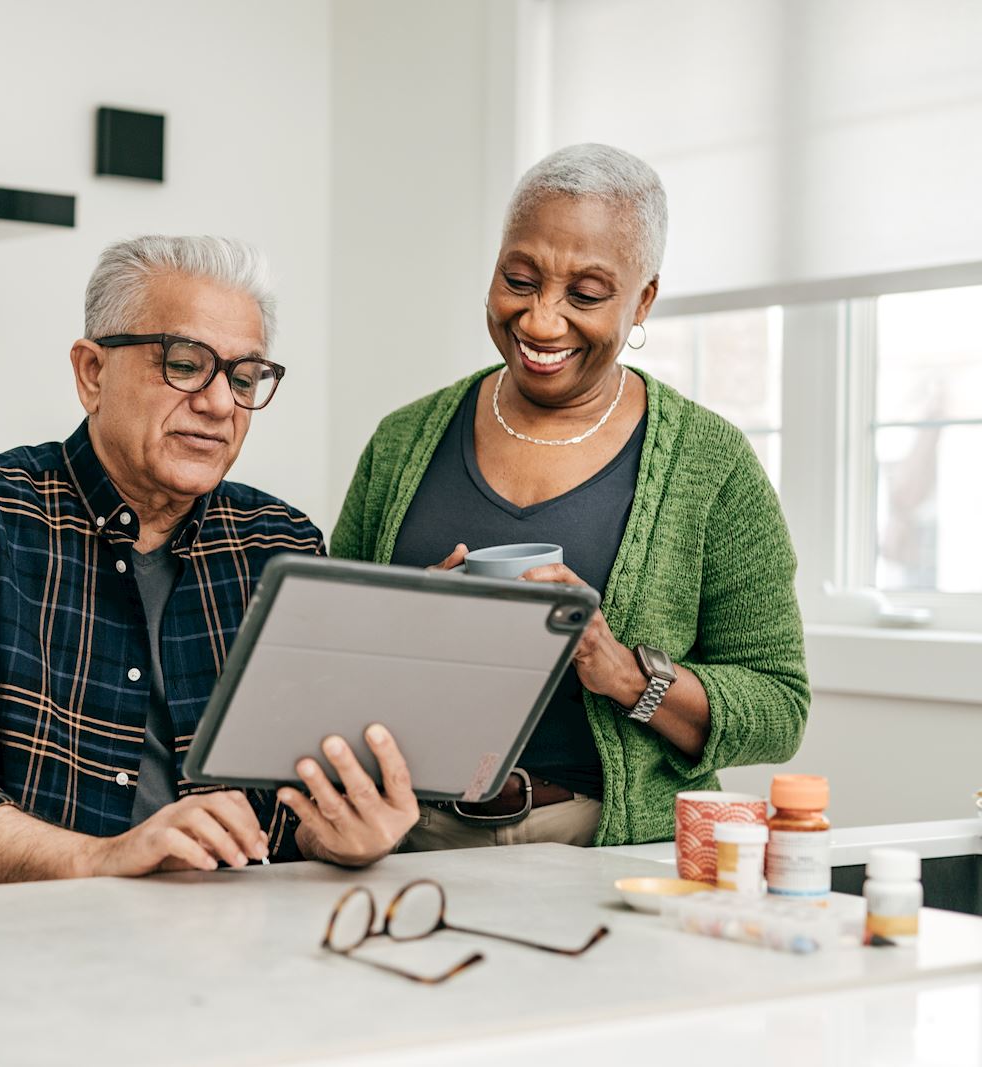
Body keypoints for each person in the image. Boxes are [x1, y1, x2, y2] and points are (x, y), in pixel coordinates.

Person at [0, 236, 420, 891]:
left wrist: (334, 834)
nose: (220, 404)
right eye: (184, 364)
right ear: (92, 373)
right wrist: (100, 859)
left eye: (243, 378)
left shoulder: (281, 544)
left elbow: (294, 803)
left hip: (218, 936)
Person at [331, 144, 808, 850]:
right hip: (410, 838)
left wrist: (624, 673)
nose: (541, 321)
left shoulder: (712, 465)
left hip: (605, 846)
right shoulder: (402, 443)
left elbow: (779, 707)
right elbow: (321, 660)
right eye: (519, 280)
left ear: (642, 301)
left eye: (585, 295)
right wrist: (408, 631)